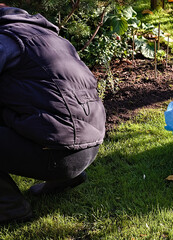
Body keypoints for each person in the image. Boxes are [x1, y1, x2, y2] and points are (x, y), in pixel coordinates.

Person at [0, 4, 106, 223]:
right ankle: (64, 179)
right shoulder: (50, 36)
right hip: (90, 148)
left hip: (58, 154)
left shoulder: (5, 40)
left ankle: (10, 208)